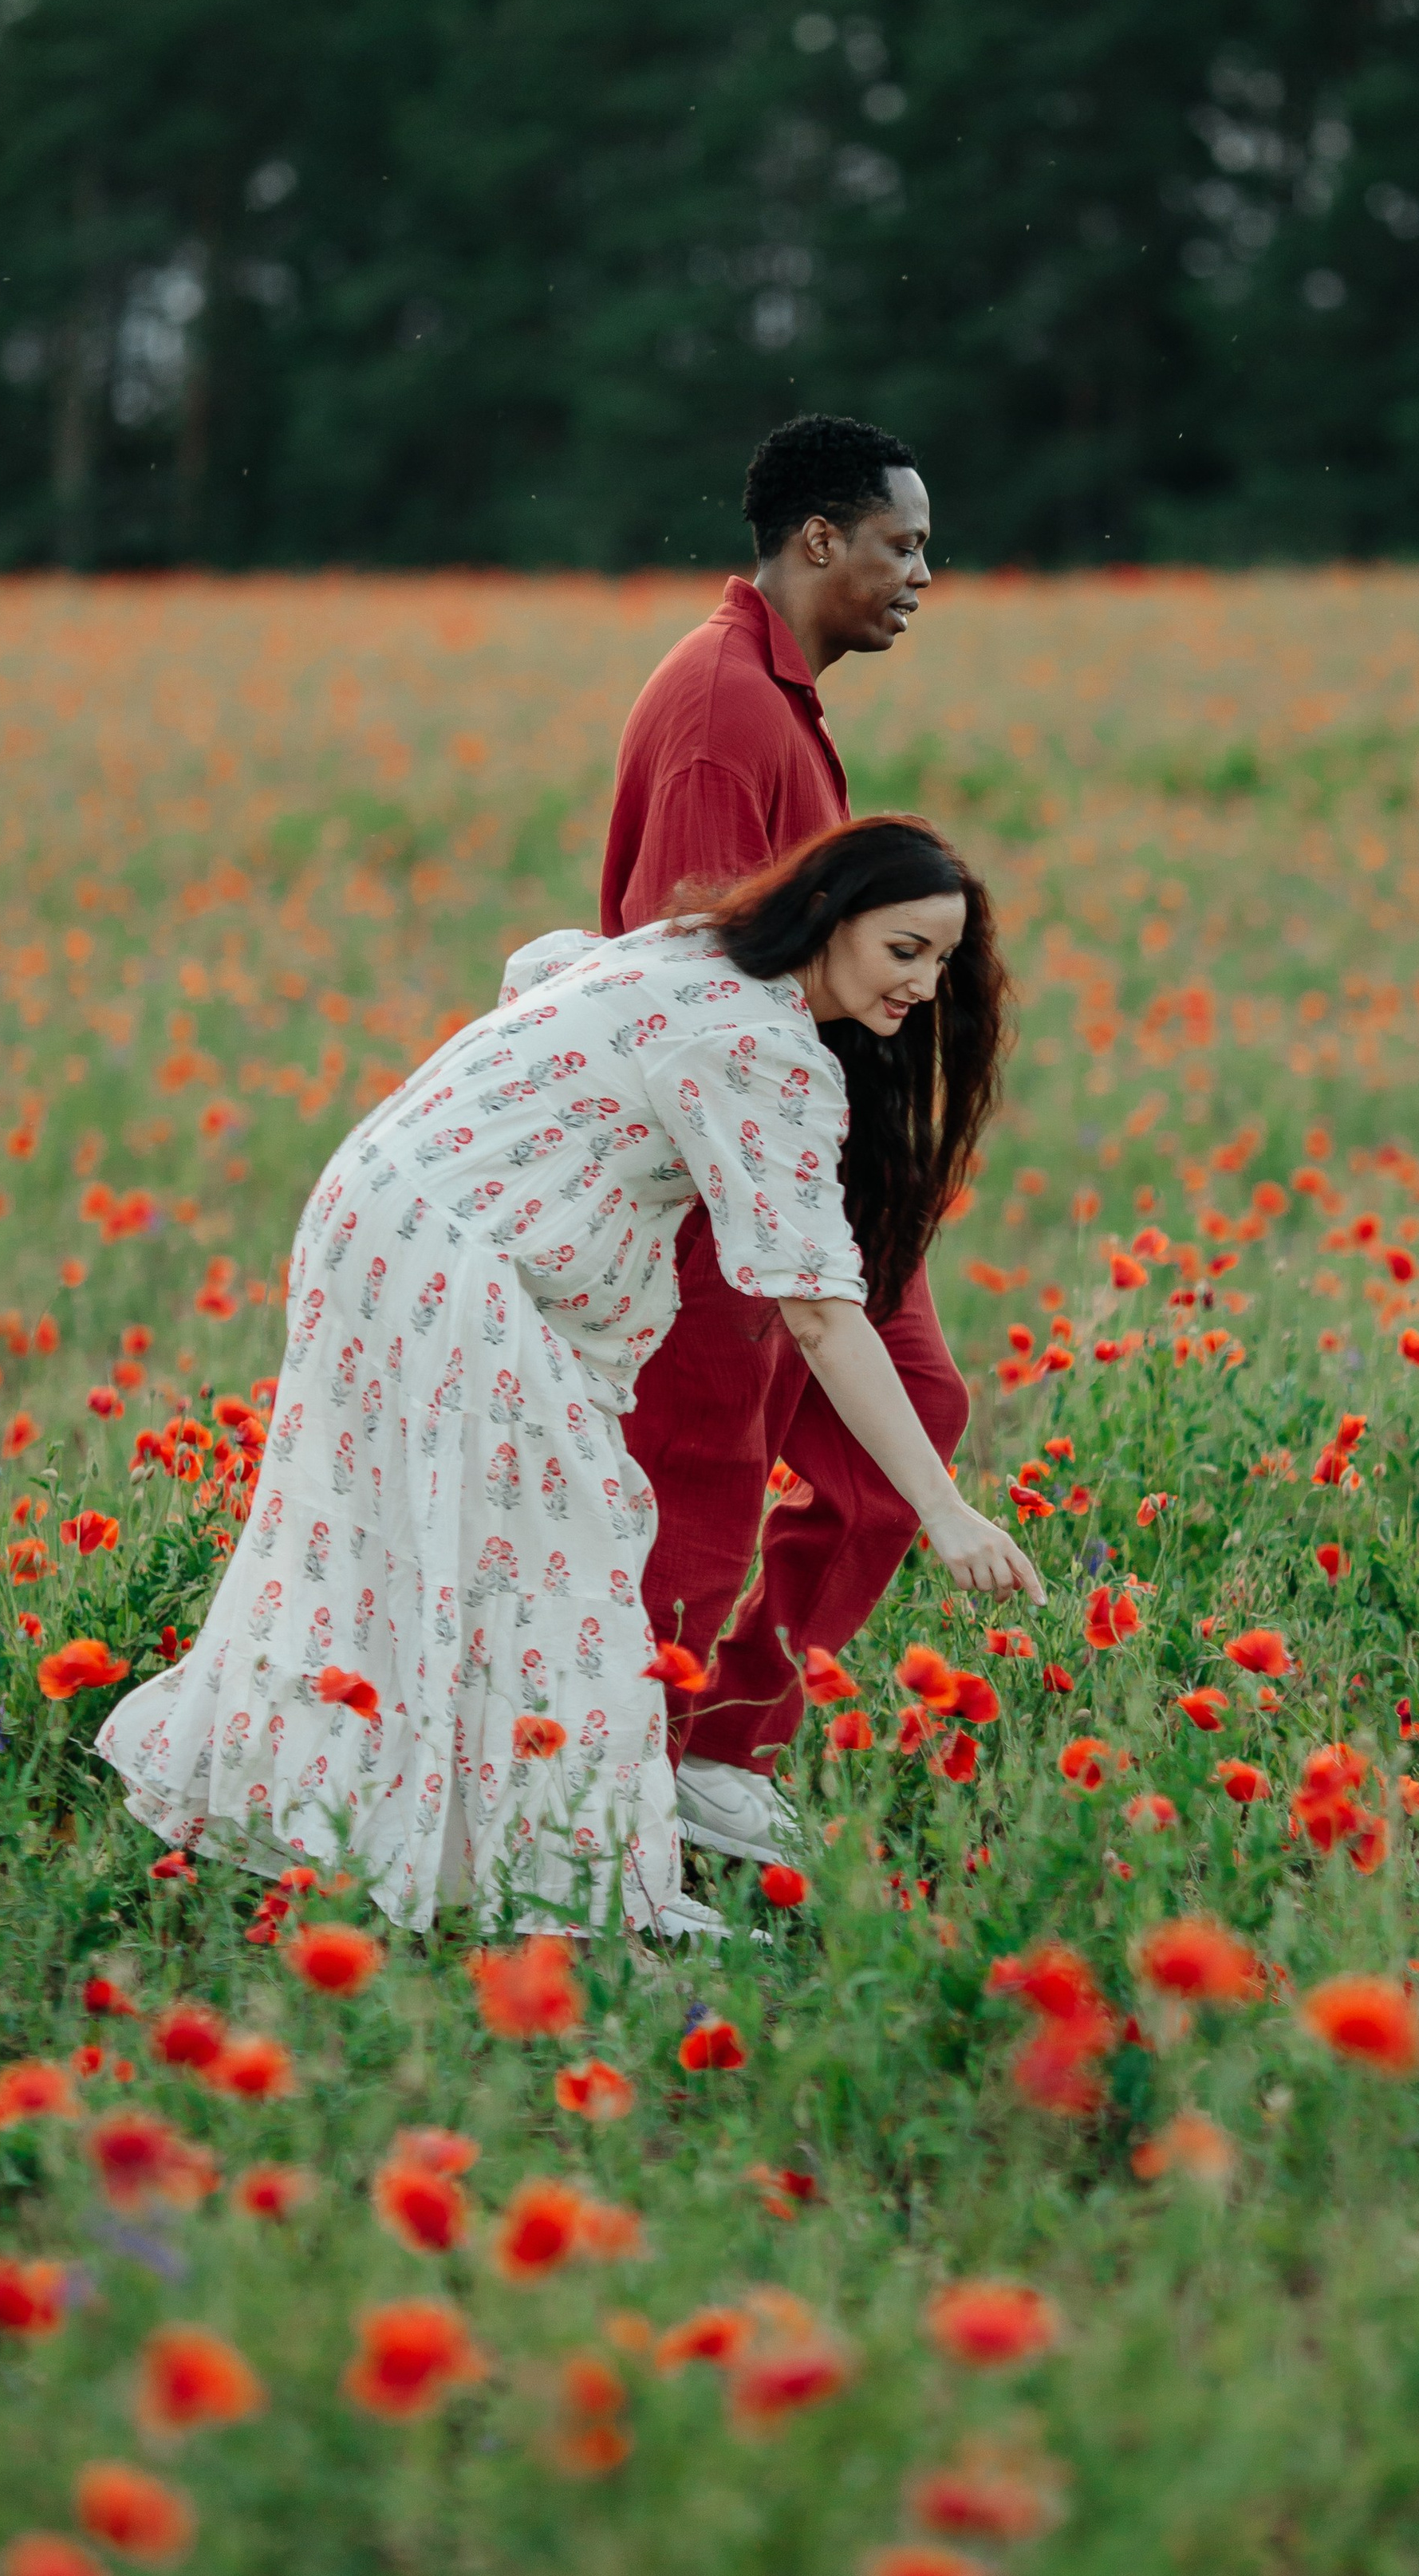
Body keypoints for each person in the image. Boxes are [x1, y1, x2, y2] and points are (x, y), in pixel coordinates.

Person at [97, 815, 1039, 1939]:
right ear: (832, 918)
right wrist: (943, 1508)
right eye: (904, 951)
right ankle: (575, 1895)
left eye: (942, 959)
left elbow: (536, 968)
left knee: (400, 1549)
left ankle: (394, 1838)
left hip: (380, 1207)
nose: (926, 987)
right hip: (461, 1270)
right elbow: (826, 1320)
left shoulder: (689, 950)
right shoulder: (760, 1045)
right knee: (566, 1567)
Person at [603, 413, 965, 1864]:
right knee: (698, 1470)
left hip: (817, 1159)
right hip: (726, 1171)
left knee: (908, 1422)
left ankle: (722, 1741)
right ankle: (641, 1777)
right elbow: (681, 969)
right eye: (903, 544)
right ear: (820, 539)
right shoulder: (719, 706)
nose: (922, 575)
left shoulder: (777, 695)